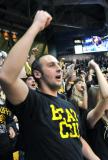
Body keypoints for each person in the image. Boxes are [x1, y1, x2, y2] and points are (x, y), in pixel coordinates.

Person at [0, 10, 84, 160]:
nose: (59, 68)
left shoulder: (69, 104)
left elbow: (76, 139)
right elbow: (6, 76)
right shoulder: (33, 101)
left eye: (58, 65)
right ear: (37, 74)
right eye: (52, 65)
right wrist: (36, 25)